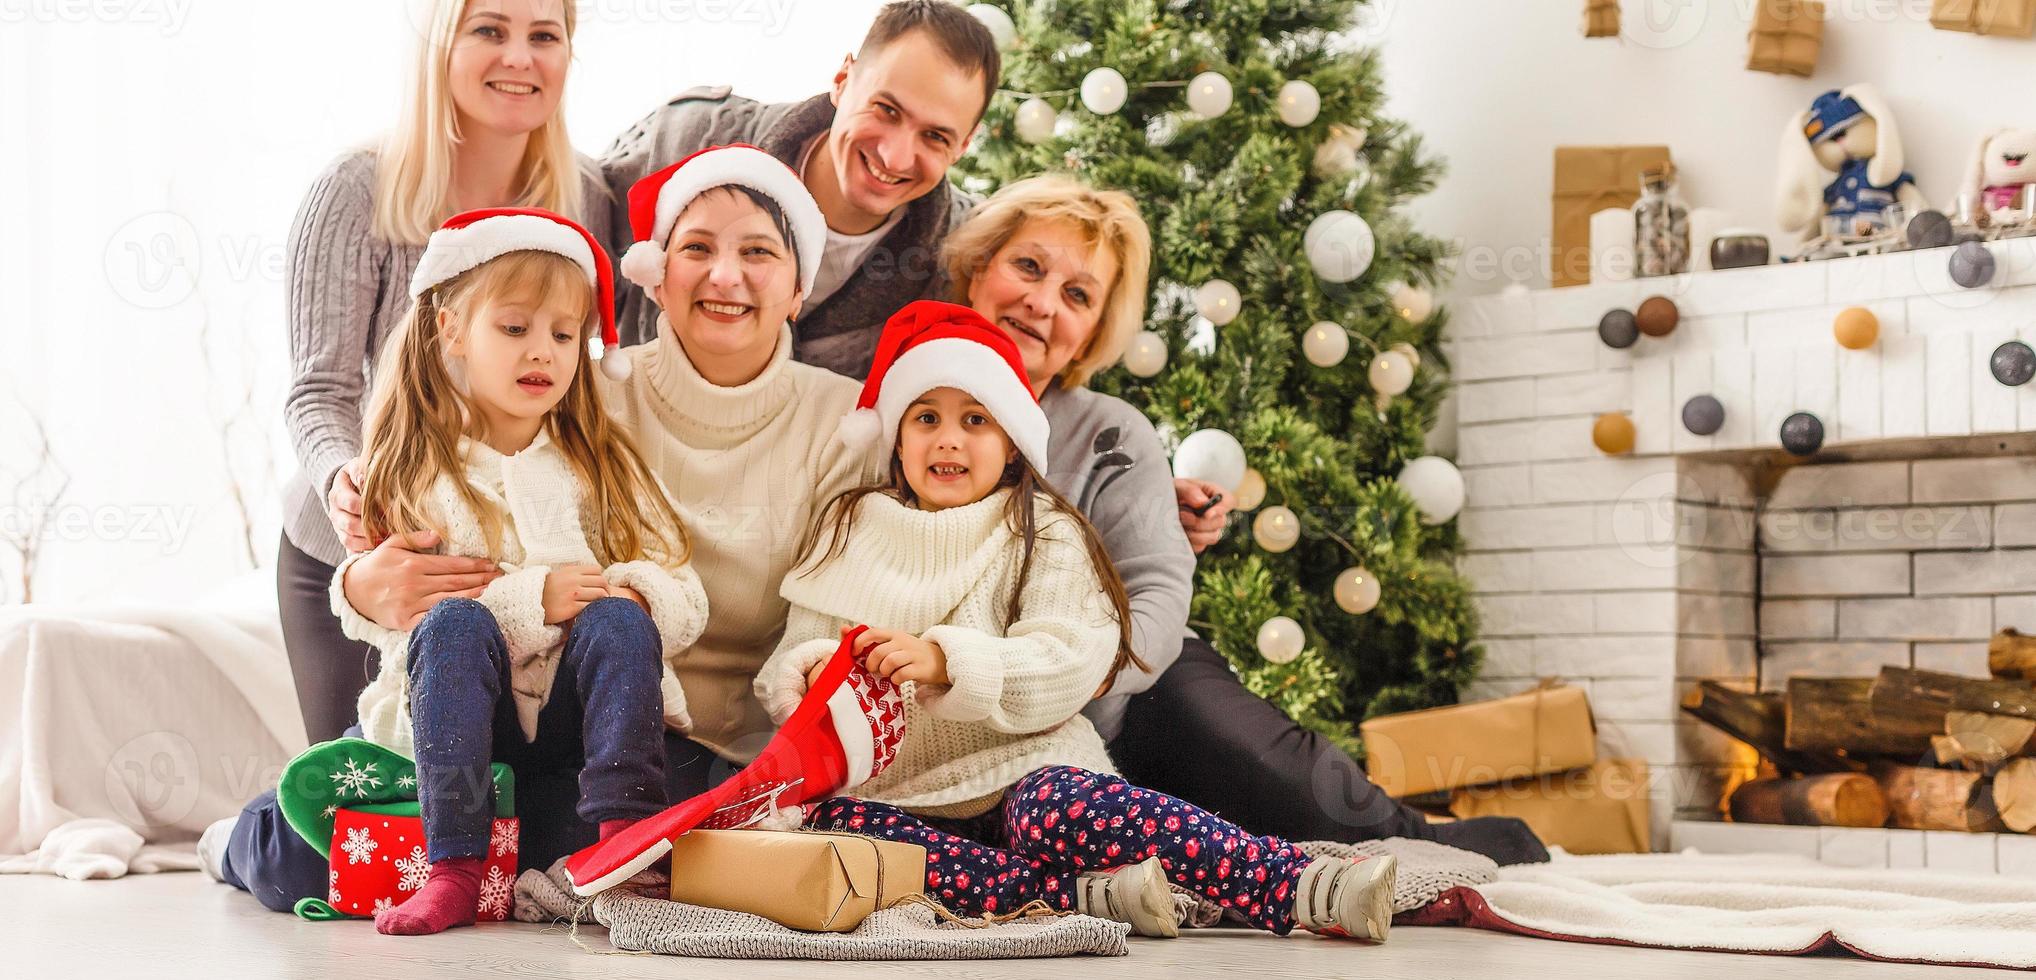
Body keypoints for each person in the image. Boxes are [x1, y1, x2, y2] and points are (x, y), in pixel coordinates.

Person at [943, 176, 1548, 866]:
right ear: (976, 268)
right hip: (970, 720)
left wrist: (1053, 678)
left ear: (1089, 338)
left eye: (1077, 295)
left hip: (1134, 693)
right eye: (1028, 266)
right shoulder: (892, 410)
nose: (1042, 302)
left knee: (1286, 784)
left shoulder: (1114, 434)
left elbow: (1161, 600)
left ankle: (1422, 838)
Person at [757, 301, 1399, 942]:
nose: (948, 438)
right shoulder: (848, 529)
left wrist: (950, 662)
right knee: (827, 831)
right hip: (900, 798)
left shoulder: (1048, 535)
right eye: (926, 418)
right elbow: (794, 655)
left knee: (1067, 810)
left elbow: (1073, 658)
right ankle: (1075, 894)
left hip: (1024, 775)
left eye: (975, 420)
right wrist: (808, 675)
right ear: (897, 439)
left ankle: (1294, 883)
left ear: (1011, 445)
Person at [331, 209, 708, 935]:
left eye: (564, 335)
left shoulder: (602, 467)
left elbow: (686, 598)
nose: (544, 353)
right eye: (515, 329)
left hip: (576, 736)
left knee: (622, 616)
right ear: (451, 332)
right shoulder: (410, 470)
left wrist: (629, 595)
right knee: (451, 624)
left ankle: (623, 854)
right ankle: (453, 871)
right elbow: (377, 614)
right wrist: (534, 598)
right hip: (460, 734)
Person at [278, 0, 619, 749]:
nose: (519, 58)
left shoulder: (587, 198)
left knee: (478, 824)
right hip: (364, 551)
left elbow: (607, 376)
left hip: (500, 573)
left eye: (544, 37)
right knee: (352, 831)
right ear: (442, 45)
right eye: (490, 31)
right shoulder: (358, 191)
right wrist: (350, 488)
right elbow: (319, 389)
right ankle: (244, 836)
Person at [599, 0, 998, 379]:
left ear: (964, 145)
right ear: (843, 80)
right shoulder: (692, 135)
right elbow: (563, 270)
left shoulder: (962, 255)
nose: (895, 158)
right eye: (886, 110)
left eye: (935, 136)